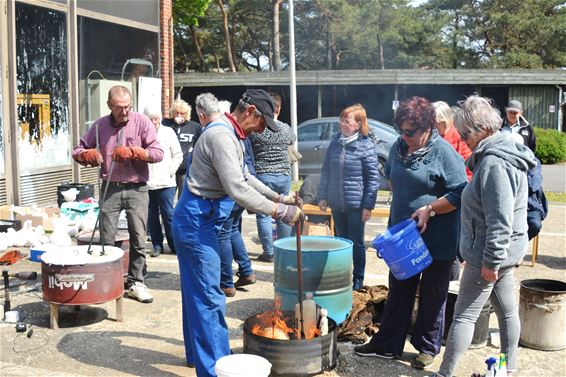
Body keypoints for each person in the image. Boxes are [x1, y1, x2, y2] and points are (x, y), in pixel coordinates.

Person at [172, 89, 304, 377]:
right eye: (261, 122)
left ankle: (198, 356)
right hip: (197, 222)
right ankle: (215, 369)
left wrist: (280, 198)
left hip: (199, 219)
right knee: (209, 297)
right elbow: (237, 188)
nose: (261, 129)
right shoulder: (221, 136)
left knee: (197, 294)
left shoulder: (232, 135)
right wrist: (280, 212)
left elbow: (246, 177)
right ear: (250, 111)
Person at [353, 97, 467, 370]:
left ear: (428, 127)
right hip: (404, 237)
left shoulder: (443, 152)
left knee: (433, 292)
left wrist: (430, 208)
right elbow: (392, 176)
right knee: (399, 288)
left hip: (438, 236)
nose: (405, 136)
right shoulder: (399, 147)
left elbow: (462, 192)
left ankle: (427, 348)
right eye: (401, 131)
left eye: (410, 132)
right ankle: (387, 344)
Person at [430, 95, 536, 377]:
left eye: (466, 133)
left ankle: (445, 373)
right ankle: (509, 368)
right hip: (505, 252)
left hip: (488, 254)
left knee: (464, 316)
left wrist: (490, 262)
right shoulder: (509, 149)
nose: (463, 139)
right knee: (507, 311)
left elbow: (499, 219)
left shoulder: (494, 163)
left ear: (483, 129)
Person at [72, 85, 164, 303]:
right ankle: (108, 282)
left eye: (128, 106)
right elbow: (77, 150)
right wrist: (87, 155)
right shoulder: (99, 126)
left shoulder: (141, 122)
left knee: (139, 237)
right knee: (107, 238)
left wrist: (135, 152)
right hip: (110, 186)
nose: (124, 111)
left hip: (137, 188)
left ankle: (136, 282)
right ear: (109, 106)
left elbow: (158, 153)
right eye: (119, 108)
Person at [317, 104, 381, 291]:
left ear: (358, 124)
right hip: (337, 203)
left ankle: (358, 278)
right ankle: (342, 276)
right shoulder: (335, 142)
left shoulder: (365, 145)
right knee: (341, 241)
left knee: (356, 242)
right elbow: (326, 170)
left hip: (357, 205)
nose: (342, 124)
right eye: (342, 120)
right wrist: (323, 195)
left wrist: (368, 205)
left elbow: (373, 178)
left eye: (347, 121)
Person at [249, 91, 296, 263]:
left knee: (264, 214)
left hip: (263, 176)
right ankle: (284, 249)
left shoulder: (257, 130)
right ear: (280, 108)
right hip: (283, 175)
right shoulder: (285, 128)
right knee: (283, 212)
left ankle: (268, 252)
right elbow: (292, 140)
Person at [144, 105, 182, 257]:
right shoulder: (142, 133)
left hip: (166, 181)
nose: (153, 122)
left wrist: (170, 170)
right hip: (147, 181)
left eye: (156, 119)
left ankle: (174, 244)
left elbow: (178, 154)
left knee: (168, 214)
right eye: (150, 119)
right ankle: (157, 245)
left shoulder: (168, 132)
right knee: (152, 215)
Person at [162, 99, 201, 197]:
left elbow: (200, 145)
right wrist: (176, 125)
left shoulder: (194, 127)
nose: (179, 115)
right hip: (169, 168)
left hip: (185, 169)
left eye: (182, 113)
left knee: (183, 197)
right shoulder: (166, 124)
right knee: (167, 198)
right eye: (177, 112)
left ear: (187, 114)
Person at [433, 101, 472, 180]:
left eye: (435, 122)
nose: (433, 125)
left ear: (444, 120)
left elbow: (468, 166)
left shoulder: (458, 136)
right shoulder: (433, 136)